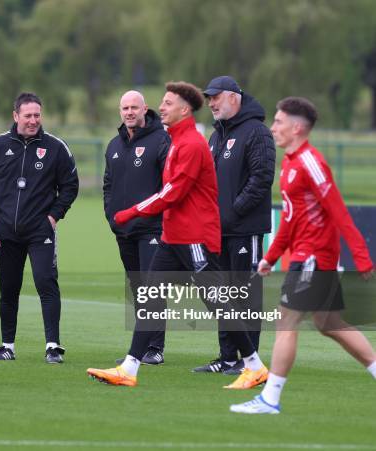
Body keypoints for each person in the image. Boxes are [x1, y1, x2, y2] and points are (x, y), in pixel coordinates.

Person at [87, 82, 268, 388]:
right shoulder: (176, 141)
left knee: (218, 300)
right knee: (150, 294)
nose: (162, 107)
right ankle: (130, 367)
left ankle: (254, 365)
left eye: (168, 103)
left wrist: (131, 212)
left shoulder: (192, 145)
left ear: (184, 109)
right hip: (174, 237)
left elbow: (171, 192)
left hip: (194, 237)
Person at [231, 97, 376, 414]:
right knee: (330, 324)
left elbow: (337, 209)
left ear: (297, 128)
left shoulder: (311, 162)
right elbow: (290, 218)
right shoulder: (289, 164)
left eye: (279, 121)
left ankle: (270, 399)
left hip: (314, 257)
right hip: (306, 255)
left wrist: (362, 256)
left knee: (286, 321)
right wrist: (271, 255)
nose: (273, 128)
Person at [0, 92, 79, 364]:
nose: (33, 120)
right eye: (28, 116)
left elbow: (70, 185)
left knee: (46, 282)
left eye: (37, 115)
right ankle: (7, 345)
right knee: (9, 288)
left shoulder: (56, 147)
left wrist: (54, 216)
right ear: (16, 116)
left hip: (40, 231)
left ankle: (53, 346)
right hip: (6, 231)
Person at [193, 76, 275, 375]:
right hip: (218, 232)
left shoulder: (257, 132)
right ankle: (227, 358)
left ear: (233, 97)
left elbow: (262, 179)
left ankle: (247, 360)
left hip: (245, 230)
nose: (211, 103)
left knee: (246, 294)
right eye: (209, 98)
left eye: (215, 97)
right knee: (224, 296)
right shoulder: (216, 136)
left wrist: (231, 213)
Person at [103, 90, 170, 365]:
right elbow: (108, 185)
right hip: (123, 230)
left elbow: (169, 185)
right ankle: (140, 348)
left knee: (153, 288)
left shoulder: (161, 141)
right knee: (137, 287)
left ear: (145, 110)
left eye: (134, 108)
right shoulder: (114, 145)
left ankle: (155, 348)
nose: (129, 112)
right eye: (125, 108)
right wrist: (111, 215)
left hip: (152, 228)